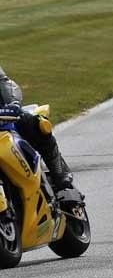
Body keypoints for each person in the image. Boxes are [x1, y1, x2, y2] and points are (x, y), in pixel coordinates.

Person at [0, 66, 79, 195]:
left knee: (37, 124)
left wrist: (13, 103)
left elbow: (4, 82)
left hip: (4, 118)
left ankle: (58, 172)